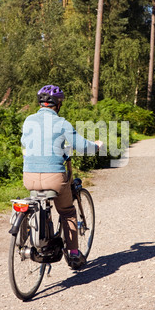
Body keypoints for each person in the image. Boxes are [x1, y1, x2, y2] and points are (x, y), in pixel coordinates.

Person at [21, 85, 102, 270]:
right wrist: (96, 146)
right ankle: (73, 254)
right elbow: (80, 146)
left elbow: (26, 143)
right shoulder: (62, 123)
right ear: (58, 104)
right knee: (67, 212)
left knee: (41, 202)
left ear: (40, 102)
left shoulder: (28, 120)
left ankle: (40, 236)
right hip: (54, 177)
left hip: (29, 177)